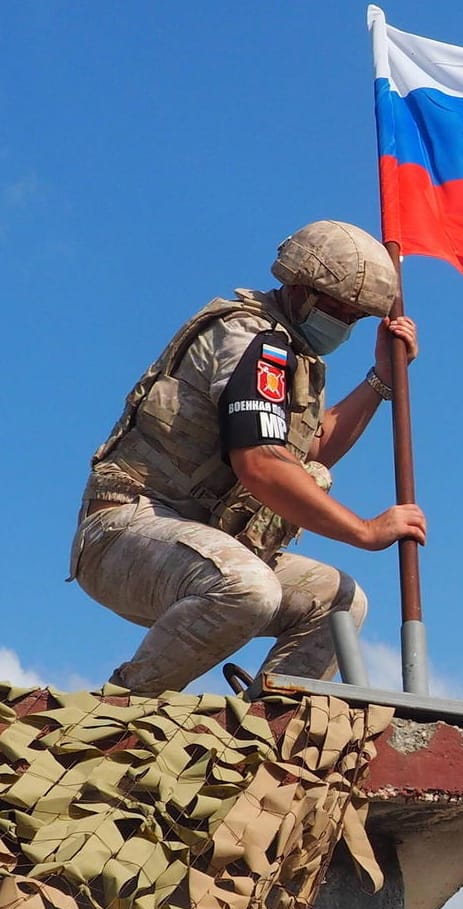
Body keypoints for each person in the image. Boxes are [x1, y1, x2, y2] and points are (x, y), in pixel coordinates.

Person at [69, 220, 426, 694]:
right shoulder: (251, 338)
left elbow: (306, 451)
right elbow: (260, 465)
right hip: (124, 533)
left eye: (355, 317)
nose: (343, 325)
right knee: (247, 589)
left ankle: (267, 734)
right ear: (300, 290)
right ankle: (118, 716)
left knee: (340, 601)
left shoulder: (292, 357)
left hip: (199, 546)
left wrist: (380, 380)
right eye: (338, 310)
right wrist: (363, 531)